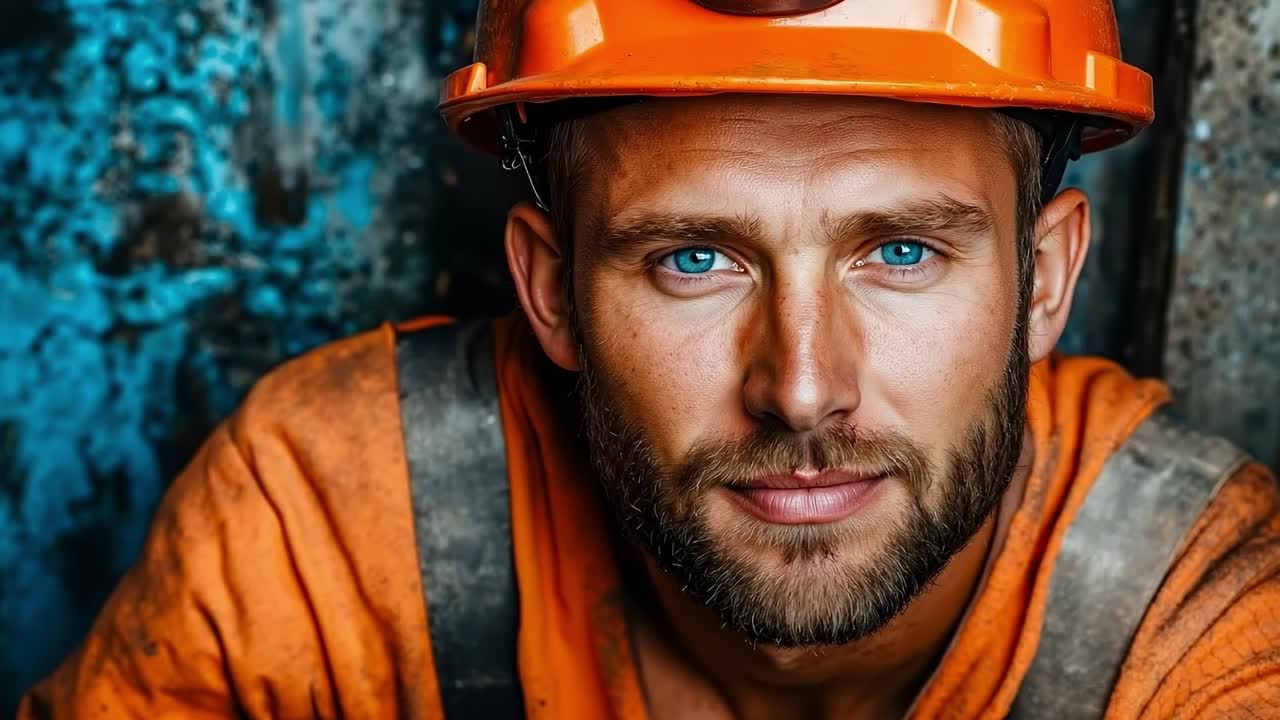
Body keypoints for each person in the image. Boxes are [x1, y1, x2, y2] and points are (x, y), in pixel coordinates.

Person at [20, 1, 1280, 718]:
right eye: (692, 260)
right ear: (552, 290)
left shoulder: (1198, 609)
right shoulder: (329, 517)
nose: (799, 385)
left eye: (898, 252)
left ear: (1043, 278)